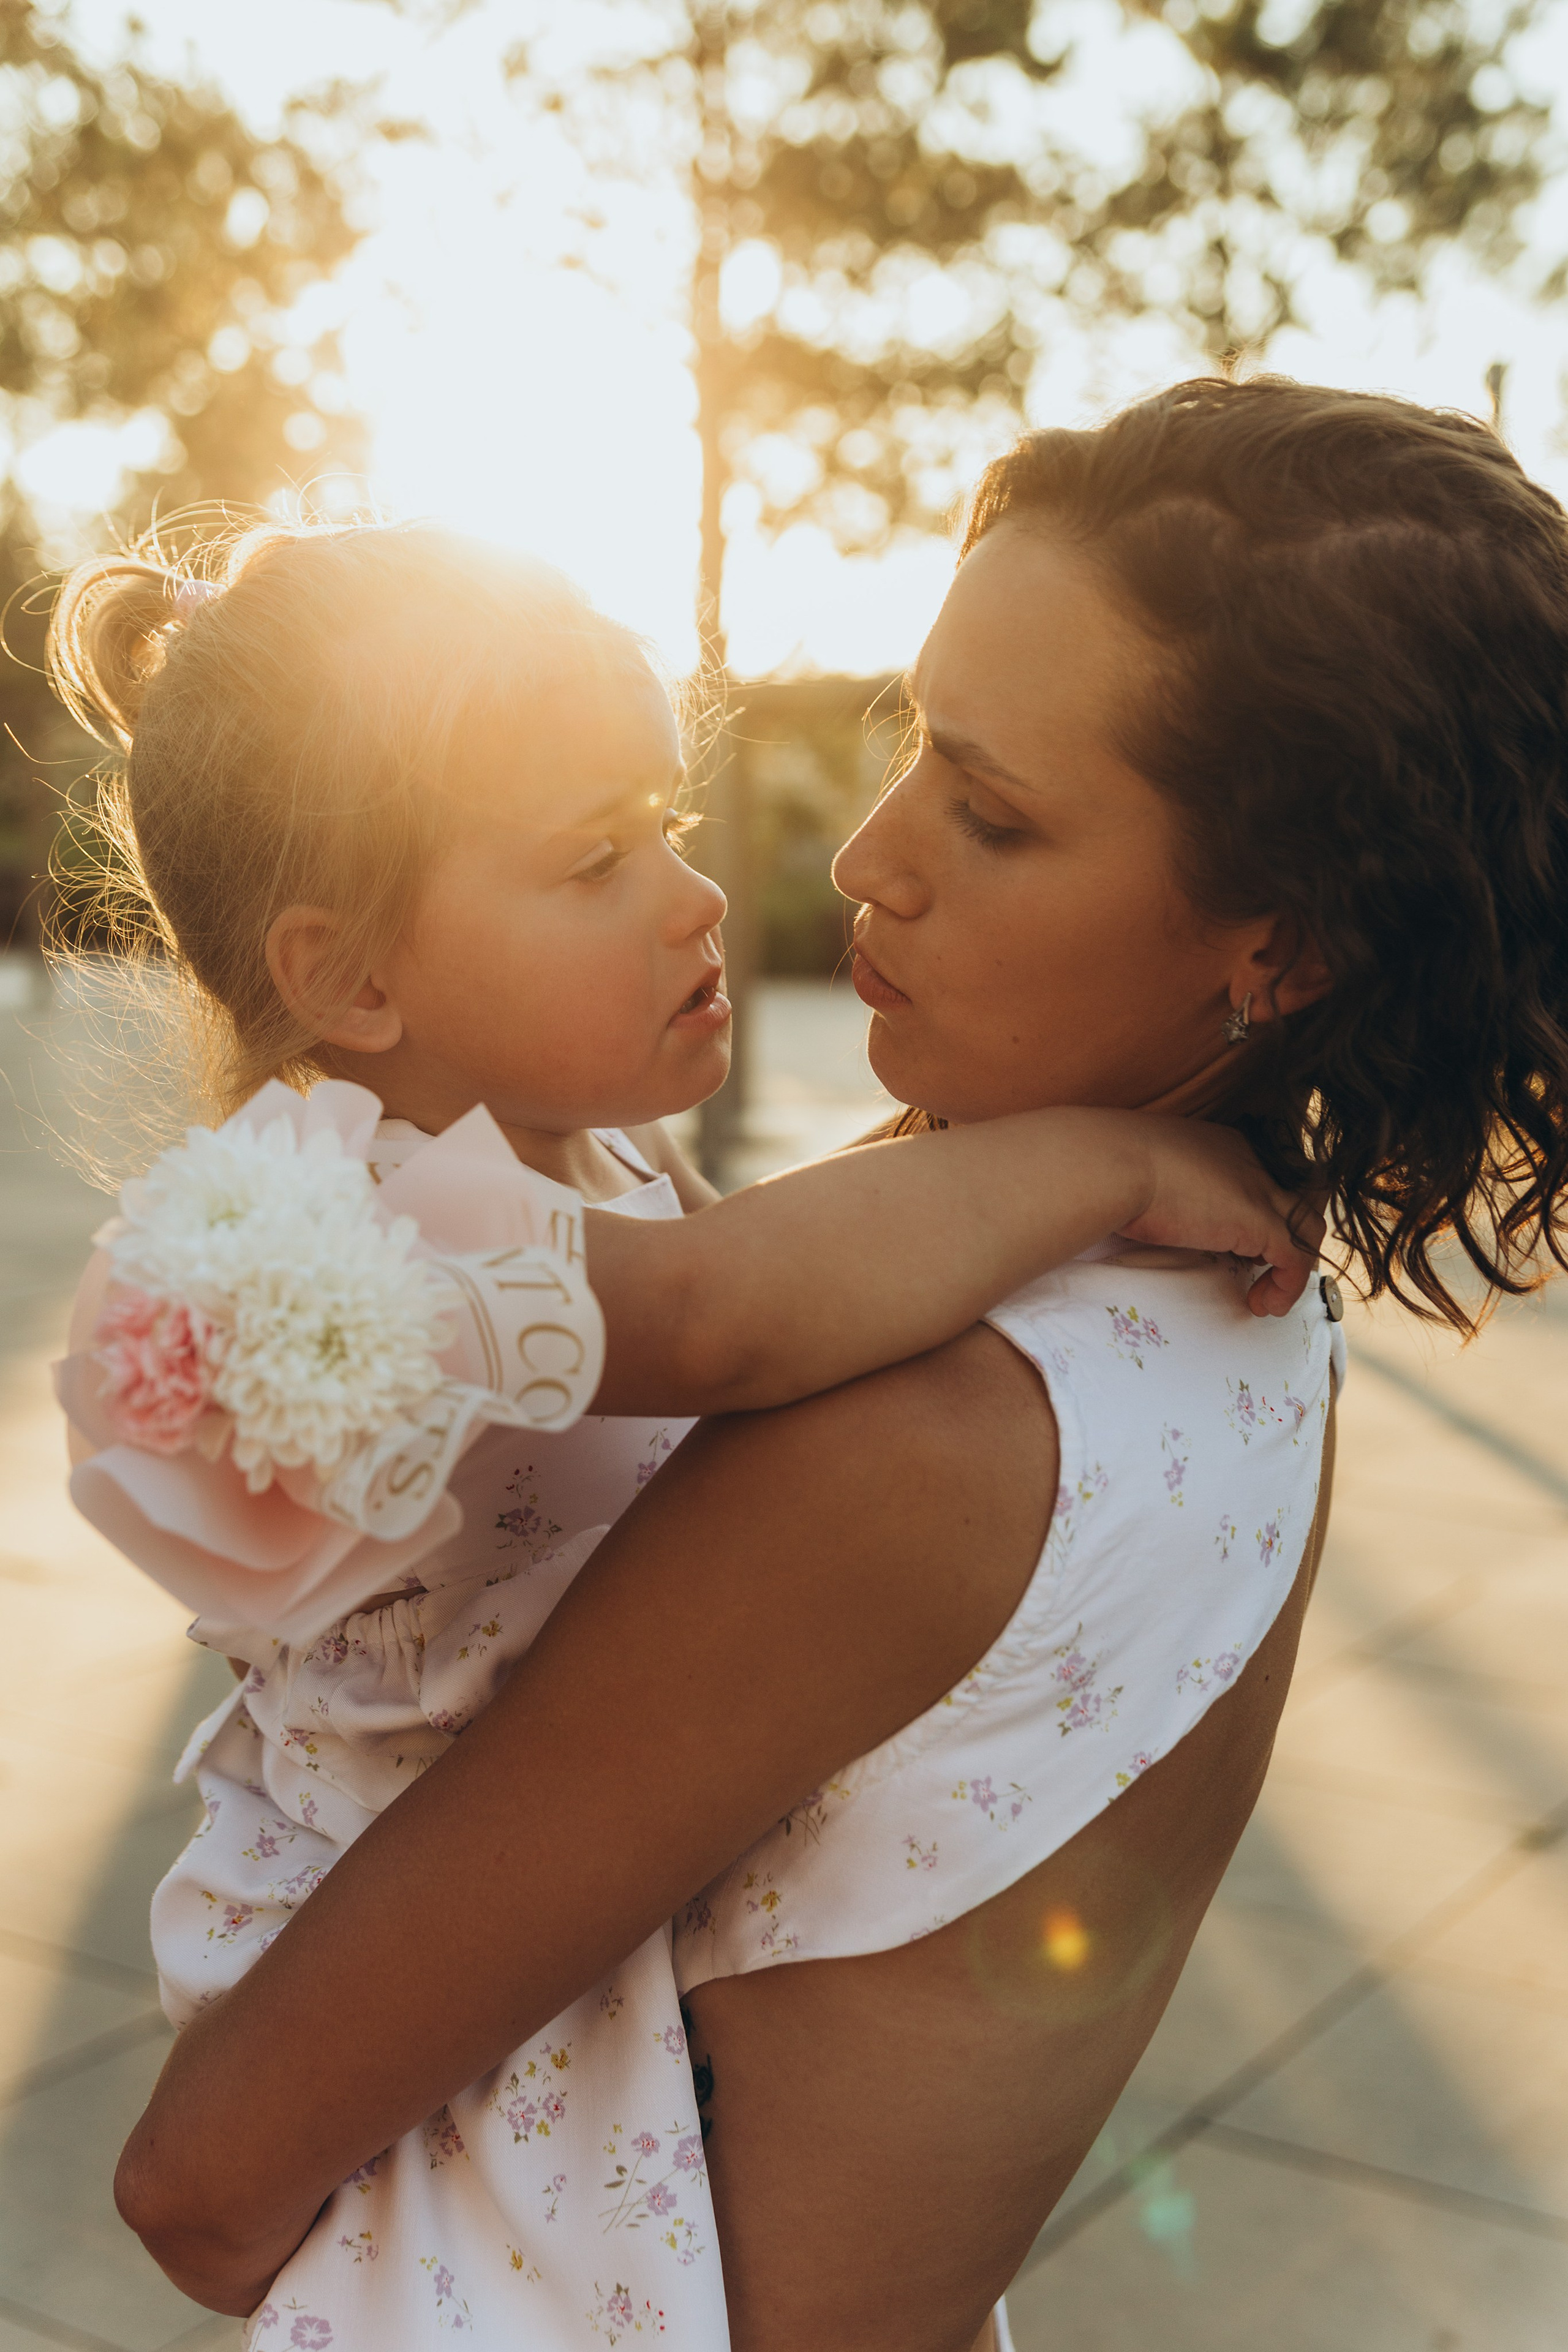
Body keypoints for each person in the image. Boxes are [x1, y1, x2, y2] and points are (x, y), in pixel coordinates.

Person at [116, 376, 1568, 2352]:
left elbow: (203, 2193)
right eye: (910, 744)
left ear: (1285, 947)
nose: (861, 860)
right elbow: (730, 1295)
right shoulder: (1240, 1305)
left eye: (992, 811)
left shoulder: (933, 1435)